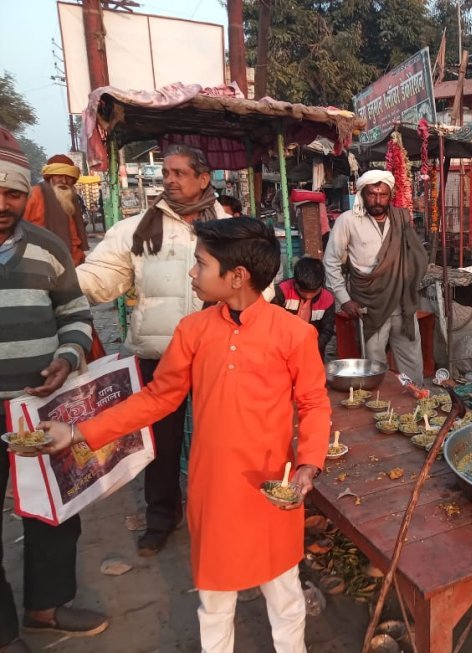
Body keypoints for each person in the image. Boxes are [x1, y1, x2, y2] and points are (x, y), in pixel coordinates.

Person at [40, 217, 330, 653]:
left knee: (284, 591)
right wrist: (81, 431)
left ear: (237, 277)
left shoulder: (294, 334)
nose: (191, 274)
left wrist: (309, 462)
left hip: (274, 488)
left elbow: (313, 404)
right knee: (214, 599)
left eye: (200, 264)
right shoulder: (193, 330)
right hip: (213, 488)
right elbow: (158, 398)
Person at [76, 143, 225, 556]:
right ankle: (161, 517)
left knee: (219, 438)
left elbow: (255, 282)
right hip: (158, 356)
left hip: (217, 354)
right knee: (160, 442)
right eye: (167, 172)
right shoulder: (136, 228)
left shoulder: (228, 226)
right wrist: (61, 280)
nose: (170, 180)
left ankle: (217, 512)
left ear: (203, 179)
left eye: (180, 172)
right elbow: (101, 276)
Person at [0, 128, 107, 653]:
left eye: (12, 194)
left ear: (28, 194)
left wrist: (68, 357)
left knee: (54, 509)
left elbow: (75, 313)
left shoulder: (48, 247)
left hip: (38, 407)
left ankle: (45, 607)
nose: (3, 204)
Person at [323, 170, 428, 385]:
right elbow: (331, 262)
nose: (378, 200)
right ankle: (382, 409)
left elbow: (415, 254)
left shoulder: (401, 218)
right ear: (362, 194)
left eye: (383, 195)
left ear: (390, 195)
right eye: (372, 194)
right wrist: (344, 299)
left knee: (412, 361)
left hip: (402, 304)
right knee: (375, 365)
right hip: (368, 305)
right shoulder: (348, 221)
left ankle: (417, 402)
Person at [23, 154, 89, 265]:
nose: (64, 181)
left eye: (68, 177)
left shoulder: (70, 197)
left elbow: (75, 236)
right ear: (50, 177)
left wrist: (79, 258)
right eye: (59, 176)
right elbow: (19, 229)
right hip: (40, 262)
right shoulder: (34, 195)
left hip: (73, 262)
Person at [272, 257, 336, 360]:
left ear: (321, 285)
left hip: (313, 351)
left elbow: (327, 331)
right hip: (282, 350)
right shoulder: (281, 291)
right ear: (295, 283)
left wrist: (312, 346)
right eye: (303, 291)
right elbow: (271, 324)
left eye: (314, 292)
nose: (308, 296)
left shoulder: (327, 299)